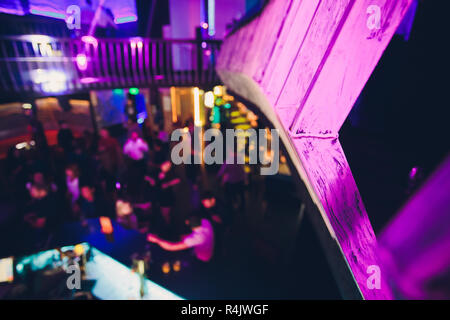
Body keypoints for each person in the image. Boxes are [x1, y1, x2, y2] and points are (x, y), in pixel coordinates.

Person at [147, 216, 214, 263]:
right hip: (207, 251)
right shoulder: (205, 222)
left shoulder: (197, 238)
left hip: (201, 260)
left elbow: (171, 247)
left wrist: (156, 240)